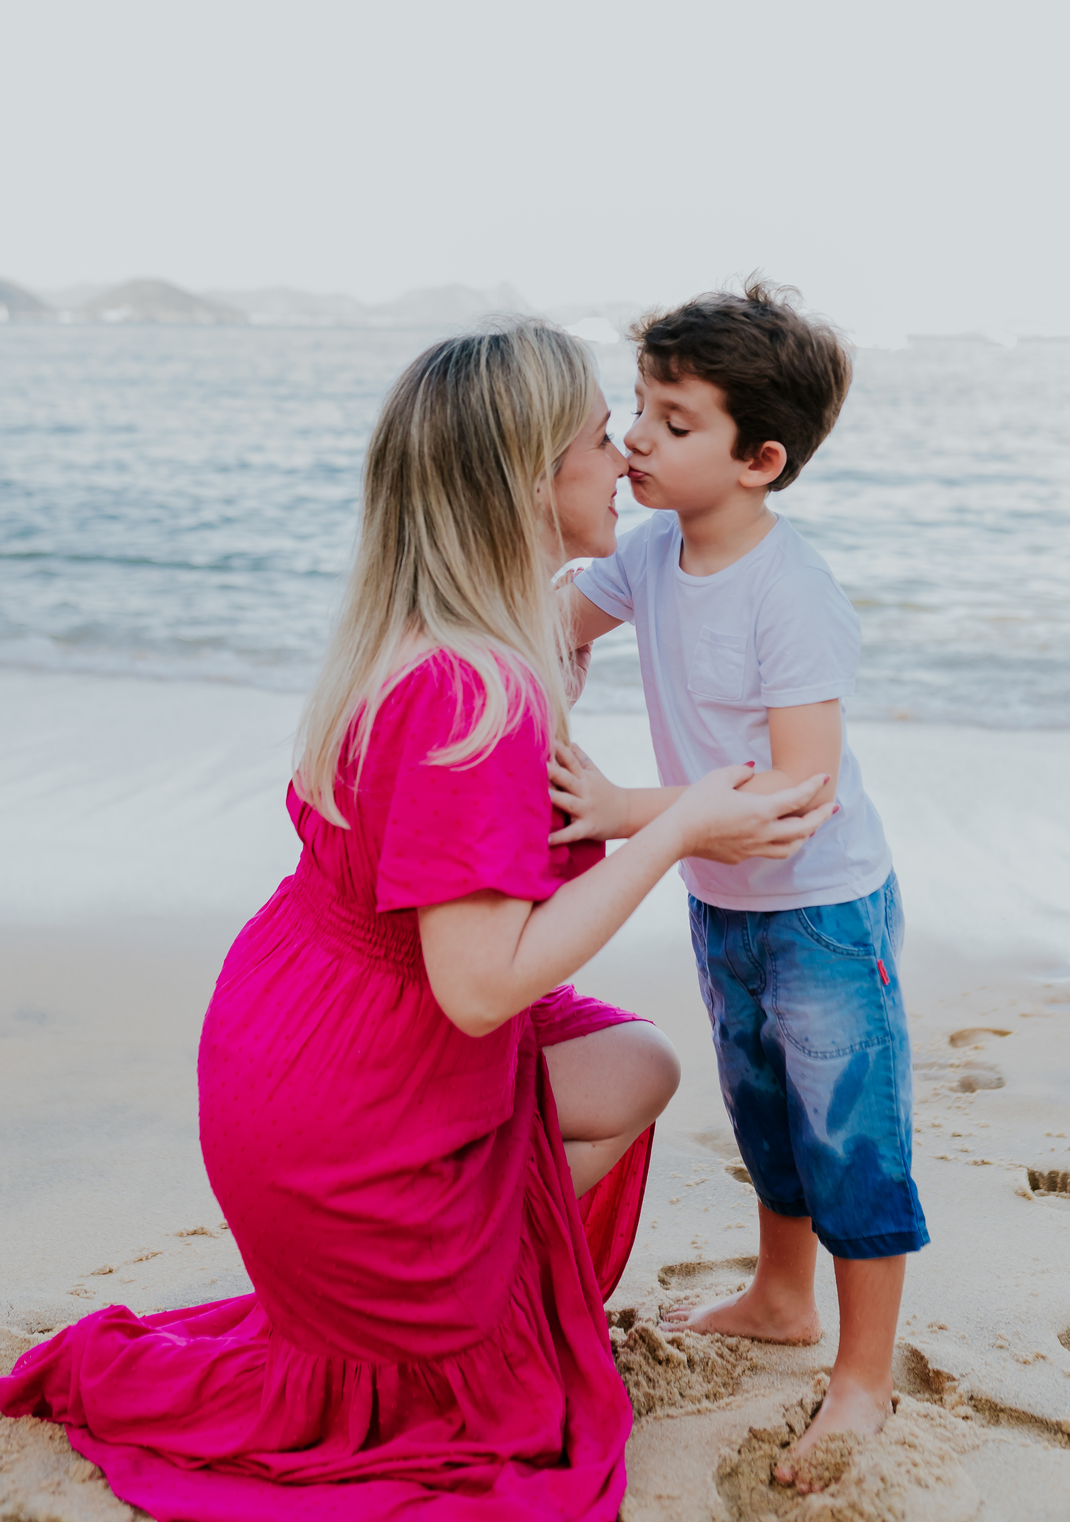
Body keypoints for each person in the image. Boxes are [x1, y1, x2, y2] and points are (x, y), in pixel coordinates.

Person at [1, 320, 834, 1522]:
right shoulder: (475, 693)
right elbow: (480, 988)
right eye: (601, 440)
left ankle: (478, 1247)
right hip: (351, 1091)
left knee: (637, 1066)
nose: (625, 465)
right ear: (526, 484)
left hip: (294, 1028)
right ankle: (443, 1284)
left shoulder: (426, 636)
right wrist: (676, 829)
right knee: (490, 1421)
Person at [553, 282, 928, 1492]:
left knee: (848, 1133)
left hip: (822, 906)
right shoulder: (653, 549)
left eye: (672, 421)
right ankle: (780, 1297)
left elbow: (796, 793)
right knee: (761, 1104)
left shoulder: (788, 590)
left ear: (760, 460)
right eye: (639, 412)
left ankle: (863, 1375)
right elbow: (561, 618)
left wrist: (617, 811)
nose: (635, 443)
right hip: (721, 898)